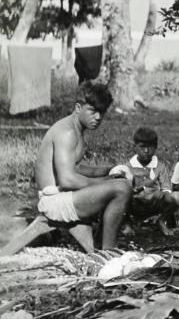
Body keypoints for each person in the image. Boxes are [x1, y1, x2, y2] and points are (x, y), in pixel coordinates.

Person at [34, 82, 133, 252]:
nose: (98, 117)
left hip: (62, 195)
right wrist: (106, 182)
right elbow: (67, 179)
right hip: (53, 202)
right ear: (78, 107)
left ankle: (101, 243)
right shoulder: (67, 133)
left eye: (102, 112)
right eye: (93, 111)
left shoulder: (76, 129)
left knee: (120, 181)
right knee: (122, 188)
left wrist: (108, 171)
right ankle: (107, 253)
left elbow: (75, 169)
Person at [121, 127, 176, 236]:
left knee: (176, 197)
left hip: (154, 203)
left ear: (155, 147)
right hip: (136, 203)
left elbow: (167, 189)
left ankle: (161, 220)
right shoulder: (127, 167)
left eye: (150, 147)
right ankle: (126, 223)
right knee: (122, 196)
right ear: (135, 147)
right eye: (142, 147)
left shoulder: (160, 167)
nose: (146, 151)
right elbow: (124, 189)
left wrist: (156, 194)